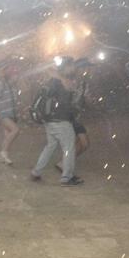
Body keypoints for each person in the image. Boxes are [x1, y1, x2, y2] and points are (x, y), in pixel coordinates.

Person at [30, 57, 84, 186]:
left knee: (50, 146)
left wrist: (58, 74)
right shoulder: (63, 80)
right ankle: (66, 178)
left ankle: (36, 172)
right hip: (61, 120)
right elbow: (71, 90)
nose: (75, 68)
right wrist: (62, 76)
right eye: (72, 65)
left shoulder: (54, 79)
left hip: (49, 120)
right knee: (69, 148)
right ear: (67, 67)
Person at [0, 66, 19, 165]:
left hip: (10, 114)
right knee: (15, 130)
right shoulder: (1, 84)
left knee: (7, 135)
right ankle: (3, 153)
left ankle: (4, 156)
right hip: (3, 113)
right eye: (16, 75)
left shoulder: (13, 87)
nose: (17, 77)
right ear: (11, 76)